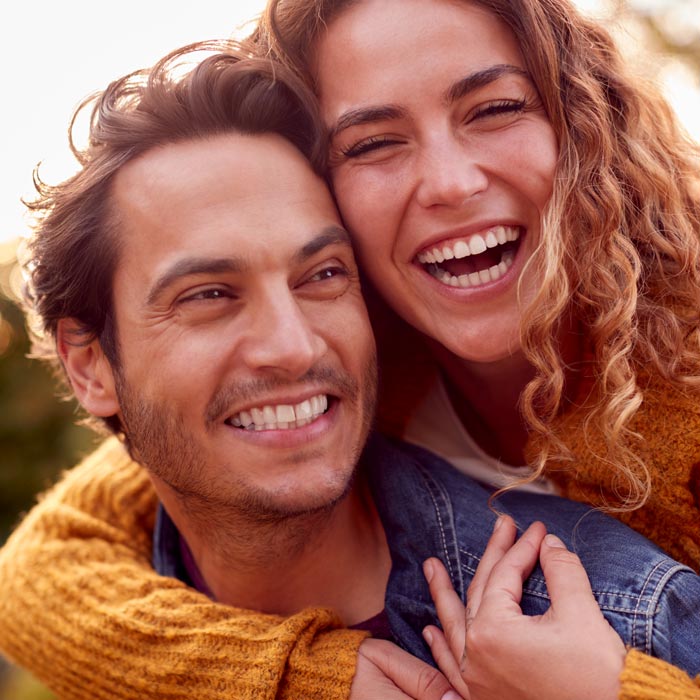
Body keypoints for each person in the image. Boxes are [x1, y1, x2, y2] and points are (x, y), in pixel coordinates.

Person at [2, 0, 700, 696]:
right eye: (372, 143)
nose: (451, 183)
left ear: (582, 123)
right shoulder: (365, 355)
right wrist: (304, 676)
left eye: (494, 108)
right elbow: (39, 574)